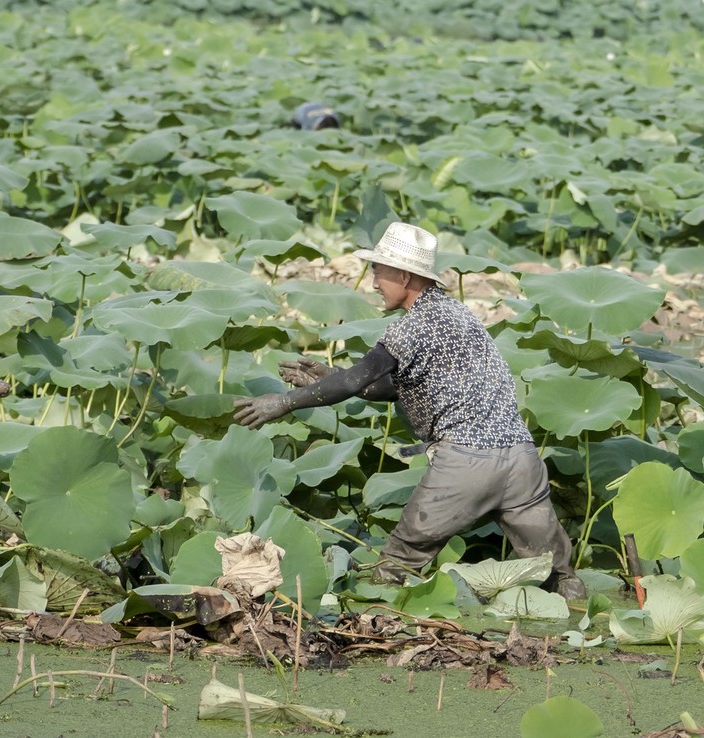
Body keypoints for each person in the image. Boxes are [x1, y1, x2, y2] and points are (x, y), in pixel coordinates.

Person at [233, 222, 586, 600]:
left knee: (396, 566)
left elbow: (355, 381)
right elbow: (390, 385)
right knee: (557, 574)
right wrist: (330, 376)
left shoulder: (412, 327)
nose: (373, 284)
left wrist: (282, 402)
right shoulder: (460, 315)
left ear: (403, 275)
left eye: (378, 273)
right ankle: (581, 624)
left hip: (468, 461)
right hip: (521, 460)